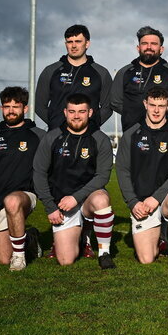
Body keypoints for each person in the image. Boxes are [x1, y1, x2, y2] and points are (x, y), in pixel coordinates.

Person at [33, 93, 116, 269]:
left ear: (90, 112)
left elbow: (102, 176)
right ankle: (76, 235)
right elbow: (39, 173)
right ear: (65, 112)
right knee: (65, 260)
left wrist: (76, 197)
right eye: (72, 111)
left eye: (81, 111)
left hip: (87, 198)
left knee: (101, 199)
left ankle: (104, 253)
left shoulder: (100, 139)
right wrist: (50, 207)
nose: (76, 116)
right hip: (62, 203)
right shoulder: (52, 137)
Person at [117, 87, 168, 268]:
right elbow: (122, 170)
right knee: (146, 258)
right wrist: (133, 202)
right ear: (145, 104)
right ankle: (161, 236)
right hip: (142, 203)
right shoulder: (131, 134)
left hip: (165, 198)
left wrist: (156, 198)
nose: (156, 110)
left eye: (161, 105)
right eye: (152, 105)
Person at [0, 86, 45, 270]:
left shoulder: (38, 136)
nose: (11, 110)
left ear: (25, 108)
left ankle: (19, 257)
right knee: (2, 259)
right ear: (1, 108)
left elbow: (45, 169)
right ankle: (30, 237)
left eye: (16, 106)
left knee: (13, 201)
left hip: (23, 196)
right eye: (6, 106)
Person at [111, 26, 168, 129]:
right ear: (138, 48)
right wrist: (131, 114)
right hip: (132, 133)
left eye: (154, 44)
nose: (149, 47)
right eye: (144, 43)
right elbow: (115, 102)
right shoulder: (124, 72)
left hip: (165, 135)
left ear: (161, 49)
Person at [35, 24, 114, 129]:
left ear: (87, 43)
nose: (73, 46)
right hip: (58, 135)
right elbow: (39, 105)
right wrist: (55, 124)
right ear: (65, 44)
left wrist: (92, 125)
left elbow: (108, 107)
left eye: (78, 41)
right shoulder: (50, 71)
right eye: (70, 42)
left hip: (88, 137)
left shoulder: (101, 73)